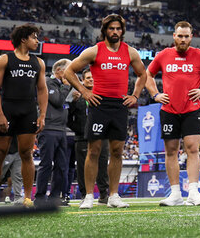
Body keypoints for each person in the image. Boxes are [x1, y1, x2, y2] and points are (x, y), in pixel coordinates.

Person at [64, 14, 149, 209]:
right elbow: (69, 71)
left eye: (118, 29)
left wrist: (135, 96)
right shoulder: (94, 51)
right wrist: (85, 91)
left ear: (122, 31)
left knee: (117, 151)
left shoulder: (130, 52)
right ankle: (88, 196)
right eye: (111, 28)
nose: (115, 32)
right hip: (99, 104)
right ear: (105, 31)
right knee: (93, 151)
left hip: (119, 105)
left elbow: (143, 74)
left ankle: (113, 195)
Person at [146, 21, 200, 207]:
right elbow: (147, 75)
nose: (183, 39)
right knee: (171, 150)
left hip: (191, 110)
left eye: (186, 36)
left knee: (193, 149)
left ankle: (193, 193)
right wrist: (155, 94)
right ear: (174, 36)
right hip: (168, 110)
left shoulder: (199, 55)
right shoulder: (163, 55)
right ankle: (175, 194)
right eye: (180, 36)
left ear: (191, 37)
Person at [0, 24, 47, 210]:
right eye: (34, 37)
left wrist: (42, 115)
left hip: (28, 111)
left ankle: (26, 198)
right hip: (8, 110)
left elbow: (42, 90)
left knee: (27, 154)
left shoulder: (38, 62)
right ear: (23, 39)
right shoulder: (4, 60)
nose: (37, 41)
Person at [68, 69, 109, 203]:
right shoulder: (77, 97)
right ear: (83, 80)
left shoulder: (103, 94)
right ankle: (85, 195)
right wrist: (80, 130)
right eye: (88, 78)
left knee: (102, 166)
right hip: (82, 138)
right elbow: (68, 118)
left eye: (93, 77)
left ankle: (103, 195)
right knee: (82, 168)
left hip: (102, 136)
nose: (91, 79)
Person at [36, 58, 71, 205]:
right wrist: (66, 87)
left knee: (61, 165)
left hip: (61, 129)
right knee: (46, 164)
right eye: (69, 70)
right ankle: (39, 198)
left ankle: (55, 197)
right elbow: (57, 101)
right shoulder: (48, 82)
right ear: (59, 71)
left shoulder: (61, 85)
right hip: (49, 128)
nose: (72, 73)